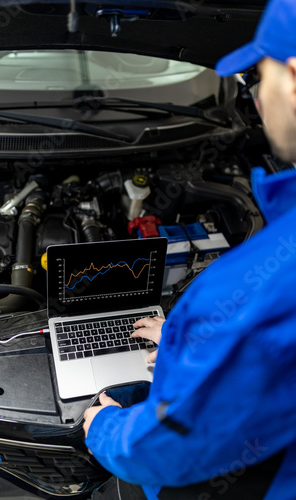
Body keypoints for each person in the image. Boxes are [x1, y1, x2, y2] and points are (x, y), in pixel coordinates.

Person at [83, 0, 296, 498]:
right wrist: (185, 337)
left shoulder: (263, 286)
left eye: (256, 77)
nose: (258, 100)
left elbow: (163, 451)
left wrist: (102, 426)